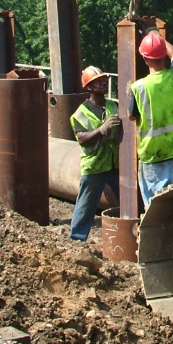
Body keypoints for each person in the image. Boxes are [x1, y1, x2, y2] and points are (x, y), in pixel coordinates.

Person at [128, 31, 173, 206]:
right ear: (163, 56)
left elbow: (131, 116)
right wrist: (157, 35)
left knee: (155, 208)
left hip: (152, 158)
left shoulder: (139, 87)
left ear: (145, 59)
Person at [69, 66, 122, 242]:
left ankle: (131, 233)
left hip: (114, 163)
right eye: (98, 81)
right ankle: (77, 238)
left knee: (128, 200)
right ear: (89, 87)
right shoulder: (80, 113)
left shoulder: (113, 105)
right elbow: (82, 138)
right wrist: (101, 130)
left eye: (104, 80)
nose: (103, 83)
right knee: (86, 205)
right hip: (94, 166)